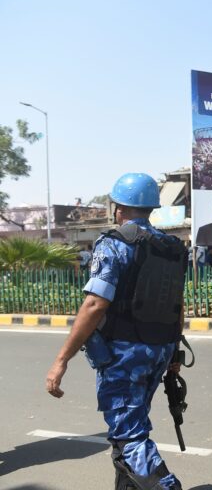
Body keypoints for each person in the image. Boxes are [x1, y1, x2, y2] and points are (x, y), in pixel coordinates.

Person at [45, 173, 185, 489]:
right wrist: (173, 352)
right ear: (151, 208)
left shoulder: (114, 243)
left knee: (129, 435)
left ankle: (166, 485)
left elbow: (95, 304)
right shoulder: (173, 247)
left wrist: (61, 360)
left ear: (118, 207)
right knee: (131, 427)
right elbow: (178, 304)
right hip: (160, 350)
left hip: (125, 355)